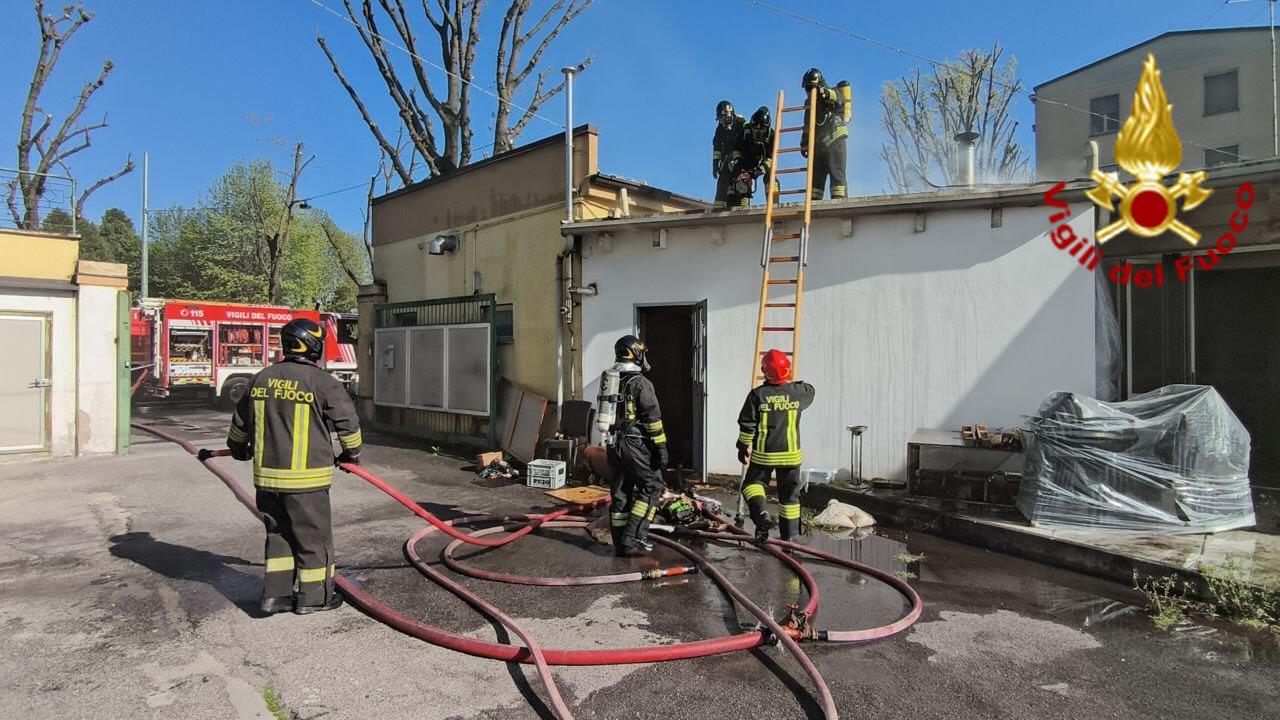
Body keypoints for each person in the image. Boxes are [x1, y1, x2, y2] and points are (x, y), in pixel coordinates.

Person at [223, 318, 363, 615]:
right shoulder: (323, 382)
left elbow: (239, 426)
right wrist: (351, 455)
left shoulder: (260, 379)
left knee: (278, 536)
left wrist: (238, 450)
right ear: (314, 346)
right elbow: (348, 427)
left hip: (267, 481)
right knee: (313, 540)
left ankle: (276, 596)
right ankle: (315, 598)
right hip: (306, 483)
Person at [736, 349, 815, 542]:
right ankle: (791, 538)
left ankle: (762, 514)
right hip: (791, 456)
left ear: (765, 371)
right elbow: (811, 390)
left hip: (765, 454)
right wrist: (791, 385)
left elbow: (747, 425)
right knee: (789, 498)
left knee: (752, 485)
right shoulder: (799, 393)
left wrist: (743, 446)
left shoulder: (757, 395)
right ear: (787, 370)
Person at [603, 335, 668, 556]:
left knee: (621, 491)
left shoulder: (611, 380)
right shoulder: (641, 383)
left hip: (612, 444)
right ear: (636, 353)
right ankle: (633, 538)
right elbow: (653, 419)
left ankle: (620, 542)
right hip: (634, 444)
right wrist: (661, 448)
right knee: (652, 487)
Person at [800, 67, 849, 200]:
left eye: (812, 87)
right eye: (807, 89)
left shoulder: (833, 92)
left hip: (835, 140)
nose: (809, 91)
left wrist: (825, 93)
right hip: (818, 145)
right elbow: (807, 124)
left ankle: (839, 203)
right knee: (815, 177)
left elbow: (839, 100)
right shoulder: (809, 103)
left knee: (836, 173)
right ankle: (814, 204)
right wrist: (804, 141)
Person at [730, 105, 776, 209]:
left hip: (763, 161)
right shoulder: (745, 131)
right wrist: (737, 162)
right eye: (756, 131)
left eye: (761, 132)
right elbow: (737, 148)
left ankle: (773, 205)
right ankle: (743, 206)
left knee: (771, 177)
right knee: (742, 181)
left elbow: (771, 158)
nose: (758, 134)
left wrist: (758, 171)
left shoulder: (772, 136)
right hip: (747, 159)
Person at [712, 100, 746, 210]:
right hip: (727, 159)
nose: (724, 121)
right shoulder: (720, 129)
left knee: (743, 182)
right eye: (721, 119)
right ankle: (718, 208)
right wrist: (715, 163)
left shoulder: (741, 123)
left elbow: (749, 141)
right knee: (722, 182)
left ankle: (744, 207)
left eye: (726, 118)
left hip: (742, 158)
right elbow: (717, 147)